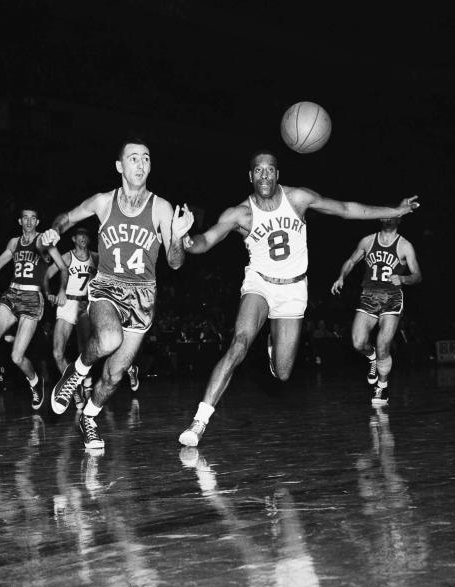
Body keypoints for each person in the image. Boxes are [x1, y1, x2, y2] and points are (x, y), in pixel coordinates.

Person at [177, 150, 419, 446]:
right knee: (239, 344)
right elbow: (206, 241)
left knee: (283, 373)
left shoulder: (299, 199)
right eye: (258, 171)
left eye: (270, 170)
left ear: (278, 175)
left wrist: (394, 211)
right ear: (250, 176)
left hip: (293, 291)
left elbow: (345, 207)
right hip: (260, 285)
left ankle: (272, 343)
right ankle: (199, 422)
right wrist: (187, 239)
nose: (264, 176)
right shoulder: (239, 213)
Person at [44, 138, 191, 450]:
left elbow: (176, 263)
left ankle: (89, 417)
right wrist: (56, 230)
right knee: (109, 339)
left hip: (144, 296)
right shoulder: (103, 202)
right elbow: (66, 218)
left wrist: (176, 236)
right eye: (133, 158)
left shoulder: (161, 207)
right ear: (120, 166)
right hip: (107, 285)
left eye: (146, 158)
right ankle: (75, 373)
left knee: (114, 375)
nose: (140, 164)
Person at [0, 209, 68, 409]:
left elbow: (63, 267)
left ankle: (35, 382)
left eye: (33, 217)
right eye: (25, 217)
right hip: (11, 295)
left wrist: (62, 290)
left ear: (37, 221)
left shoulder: (44, 240)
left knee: (16, 357)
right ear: (20, 221)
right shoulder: (13, 243)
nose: (29, 221)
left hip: (32, 298)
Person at [330, 217, 422, 406]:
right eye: (385, 215)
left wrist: (404, 280)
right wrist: (341, 277)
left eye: (392, 216)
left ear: (399, 219)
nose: (388, 219)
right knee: (357, 343)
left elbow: (418, 275)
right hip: (369, 296)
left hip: (392, 298)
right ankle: (371, 357)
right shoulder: (367, 241)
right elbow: (350, 261)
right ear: (380, 218)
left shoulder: (405, 246)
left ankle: (382, 386)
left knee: (383, 344)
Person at [45, 226, 98, 408]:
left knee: (86, 350)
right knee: (57, 352)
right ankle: (74, 390)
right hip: (67, 303)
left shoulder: (96, 257)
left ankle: (88, 384)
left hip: (86, 305)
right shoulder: (67, 257)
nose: (83, 238)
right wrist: (48, 293)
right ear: (74, 239)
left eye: (86, 236)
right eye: (79, 236)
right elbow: (46, 274)